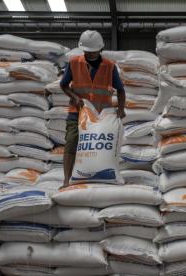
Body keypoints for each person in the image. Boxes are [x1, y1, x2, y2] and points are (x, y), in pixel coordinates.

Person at [60, 30, 126, 187]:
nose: (89, 54)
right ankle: (66, 181)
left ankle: (99, 174)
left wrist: (121, 109)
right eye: (87, 52)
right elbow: (63, 85)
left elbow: (121, 90)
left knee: (101, 145)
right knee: (71, 142)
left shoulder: (110, 66)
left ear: (100, 49)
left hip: (100, 115)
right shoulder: (74, 63)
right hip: (78, 112)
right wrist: (74, 98)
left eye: (93, 51)